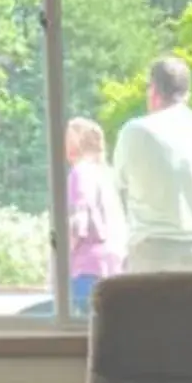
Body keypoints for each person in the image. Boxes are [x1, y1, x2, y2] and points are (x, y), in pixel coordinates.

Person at [113, 53, 192, 274]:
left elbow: (119, 187)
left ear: (153, 92)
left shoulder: (135, 131)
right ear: (187, 94)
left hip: (151, 252)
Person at [64, 115, 126, 317]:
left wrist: (61, 258)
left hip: (87, 266)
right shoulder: (106, 173)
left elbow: (78, 223)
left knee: (82, 327)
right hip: (115, 265)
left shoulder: (79, 173)